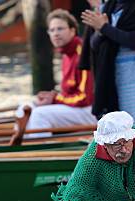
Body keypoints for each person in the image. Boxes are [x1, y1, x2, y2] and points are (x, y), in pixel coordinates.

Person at [80, 0, 135, 136]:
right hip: (111, 71)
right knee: (118, 125)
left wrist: (104, 27)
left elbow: (133, 41)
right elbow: (94, 45)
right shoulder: (108, 7)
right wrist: (100, 32)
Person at [16, 9, 96, 138]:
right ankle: (19, 148)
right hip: (76, 107)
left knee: (39, 114)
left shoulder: (82, 54)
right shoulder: (66, 54)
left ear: (72, 30)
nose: (56, 34)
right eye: (52, 30)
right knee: (23, 108)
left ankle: (42, 152)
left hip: (90, 111)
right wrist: (52, 97)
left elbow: (84, 98)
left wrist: (55, 99)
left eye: (60, 29)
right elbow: (68, 93)